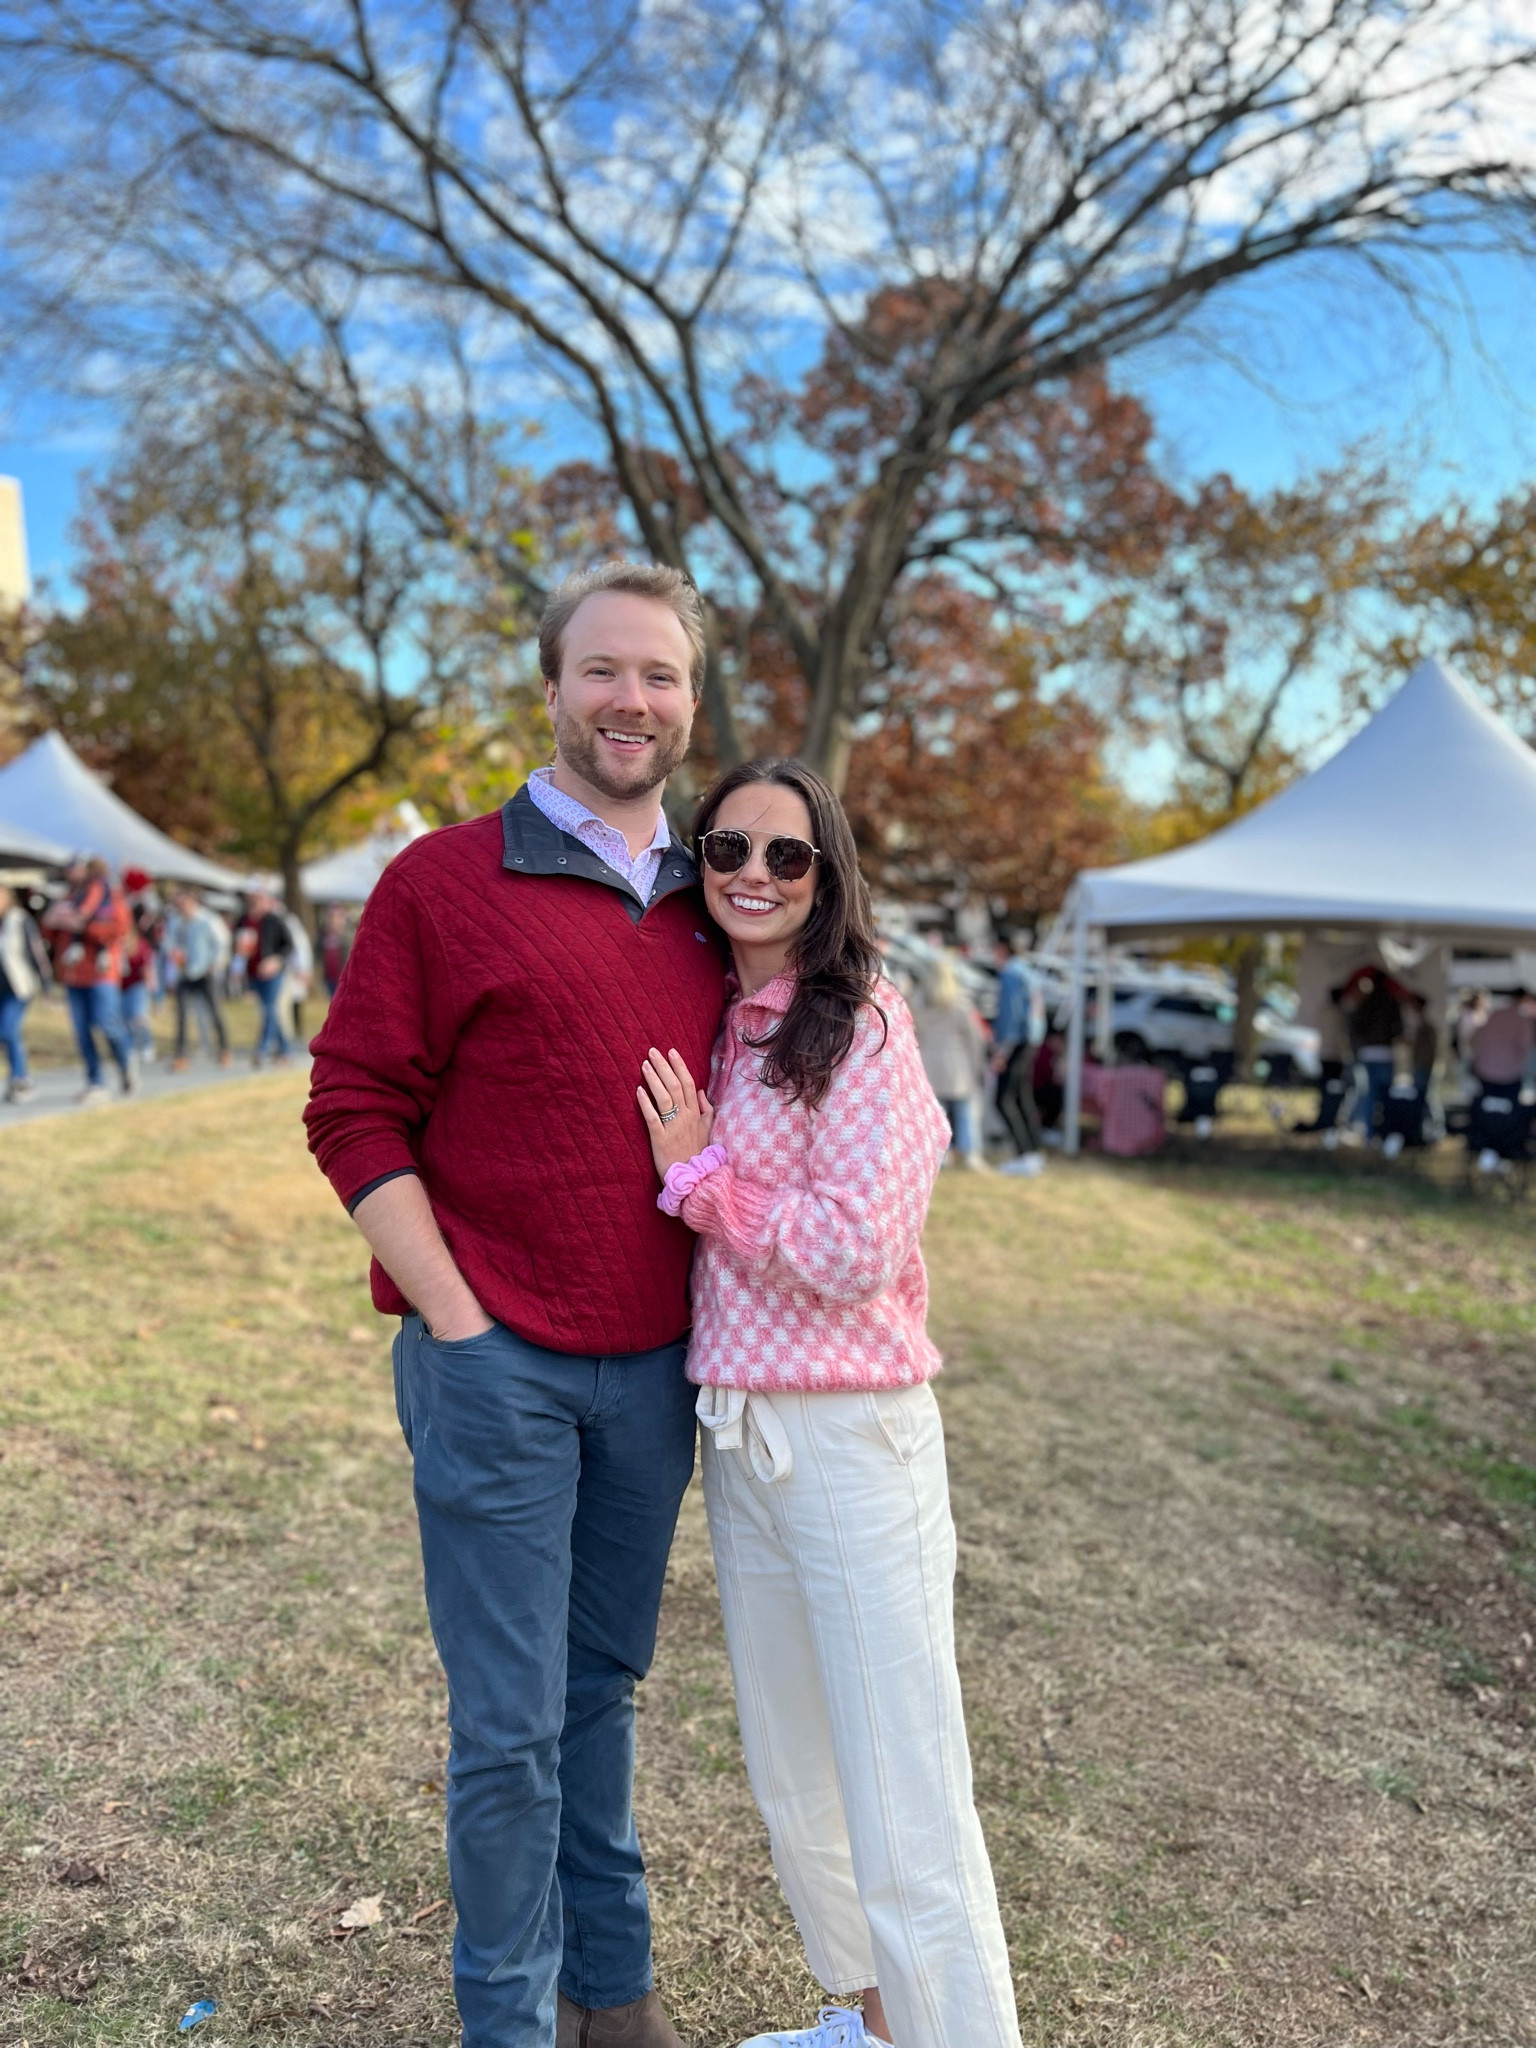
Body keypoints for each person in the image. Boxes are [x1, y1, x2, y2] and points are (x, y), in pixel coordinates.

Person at [305, 561, 726, 2048]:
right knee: (507, 1731)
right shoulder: (442, 882)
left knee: (599, 1694)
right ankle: (508, 2022)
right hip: (498, 1365)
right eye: (604, 671)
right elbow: (352, 1104)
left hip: (658, 1370)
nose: (632, 700)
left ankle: (613, 1992)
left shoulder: (721, 901)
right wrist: (458, 1320)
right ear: (550, 688)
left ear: (690, 700)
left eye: (661, 675)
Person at [635, 757, 1021, 2048]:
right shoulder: (723, 1031)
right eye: (727, 848)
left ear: (826, 875)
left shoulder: (863, 1025)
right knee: (797, 1777)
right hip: (741, 1436)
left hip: (853, 1439)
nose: (752, 873)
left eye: (784, 855)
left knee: (905, 1794)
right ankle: (870, 2022)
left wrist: (700, 1184)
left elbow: (859, 1246)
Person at [41, 856, 136, 1103]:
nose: (72, 873)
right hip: (73, 973)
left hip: (101, 971)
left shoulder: (109, 896)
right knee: (82, 1031)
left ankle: (126, 1061)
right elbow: (51, 932)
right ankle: (96, 1082)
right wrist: (52, 921)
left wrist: (83, 926)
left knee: (107, 1023)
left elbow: (119, 930)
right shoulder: (67, 899)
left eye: (77, 868)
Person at [910, 948, 989, 1170]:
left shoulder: (917, 1002)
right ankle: (970, 1153)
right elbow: (975, 1036)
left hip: (928, 1061)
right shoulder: (959, 1003)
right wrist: (978, 1064)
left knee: (936, 1114)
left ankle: (940, 1154)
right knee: (965, 1111)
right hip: (957, 1063)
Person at [989, 934, 1046, 1176]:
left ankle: (1024, 1154)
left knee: (1003, 1098)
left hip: (1018, 1041)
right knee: (1022, 1096)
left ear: (1002, 949)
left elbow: (1010, 1016)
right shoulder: (1027, 971)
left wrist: (1002, 1050)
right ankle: (1032, 1151)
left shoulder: (1011, 973)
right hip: (1031, 1039)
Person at [165, 886, 232, 1068]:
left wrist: (215, 964)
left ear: (193, 902)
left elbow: (222, 943)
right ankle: (181, 1055)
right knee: (182, 1015)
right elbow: (169, 944)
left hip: (205, 971)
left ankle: (224, 1050)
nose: (181, 907)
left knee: (215, 1011)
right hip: (184, 972)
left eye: (184, 903)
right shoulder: (175, 922)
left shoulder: (207, 920)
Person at [0, 880, 51, 1104]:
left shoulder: (19, 920)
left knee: (8, 1030)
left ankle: (21, 1079)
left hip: (18, 987)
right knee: (6, 1034)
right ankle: (16, 1078)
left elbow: (36, 952)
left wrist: (46, 983)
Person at [1340, 968, 1402, 1141]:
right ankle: (1383, 1133)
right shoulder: (1391, 1002)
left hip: (1368, 1053)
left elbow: (1355, 1029)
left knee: (1369, 1094)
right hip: (1385, 1053)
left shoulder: (1365, 1003)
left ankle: (1368, 1133)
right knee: (1385, 1096)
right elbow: (1398, 1028)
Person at [246, 888, 295, 1064]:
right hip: (253, 973)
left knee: (269, 1008)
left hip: (272, 973)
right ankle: (285, 1050)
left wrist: (276, 960)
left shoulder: (274, 920)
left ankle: (263, 1048)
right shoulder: (245, 921)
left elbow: (288, 945)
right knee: (269, 1010)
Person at [1470, 987, 1536, 1091]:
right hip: (1509, 1075)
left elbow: (1477, 1040)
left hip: (1486, 1071)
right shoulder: (1522, 1019)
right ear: (1525, 999)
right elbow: (1526, 1046)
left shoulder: (1495, 1014)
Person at [318, 903, 352, 997]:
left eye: (336, 917)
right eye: (331, 917)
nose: (333, 920)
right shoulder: (323, 936)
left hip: (344, 979)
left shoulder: (349, 936)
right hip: (329, 979)